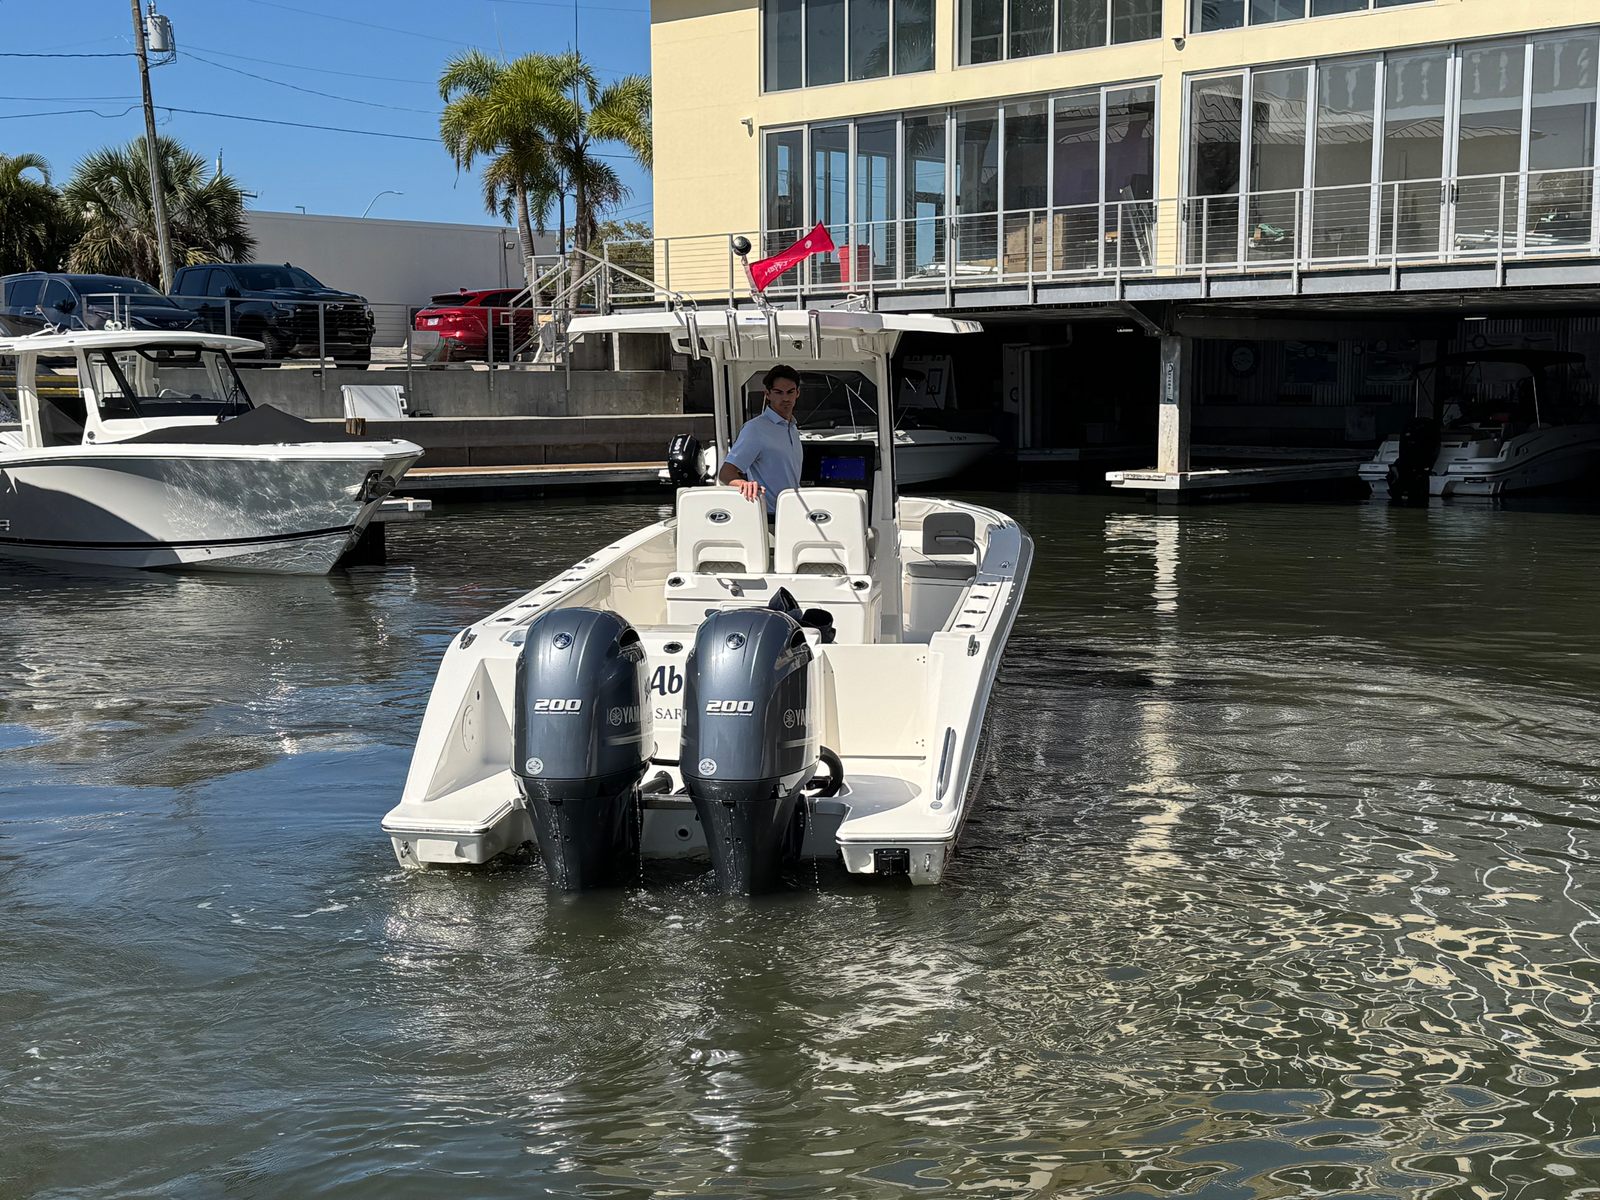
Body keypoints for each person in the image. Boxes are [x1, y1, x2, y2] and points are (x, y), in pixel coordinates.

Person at [718, 364, 803, 515]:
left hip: (793, 513)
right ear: (767, 394)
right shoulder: (754, 429)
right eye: (778, 392)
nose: (785, 398)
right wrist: (744, 484)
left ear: (797, 393)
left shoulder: (792, 428)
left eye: (790, 392)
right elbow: (725, 473)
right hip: (767, 517)